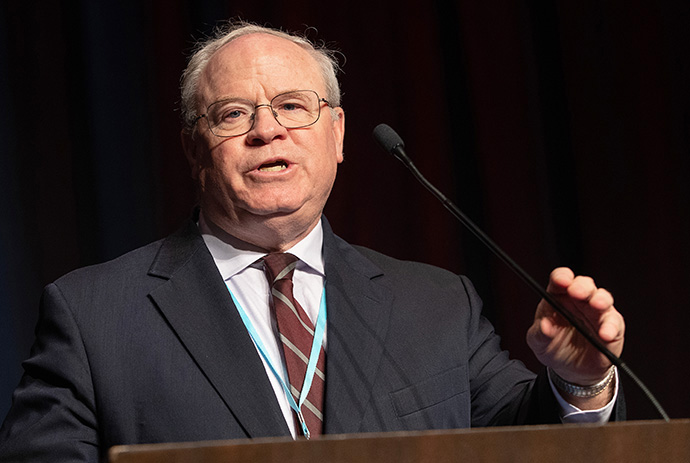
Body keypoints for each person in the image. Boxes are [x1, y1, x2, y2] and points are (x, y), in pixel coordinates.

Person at [0, 21, 625, 462]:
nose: (267, 131)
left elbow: (524, 444)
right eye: (233, 114)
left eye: (294, 106)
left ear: (338, 134)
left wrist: (580, 384)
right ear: (194, 147)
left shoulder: (435, 304)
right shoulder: (93, 317)